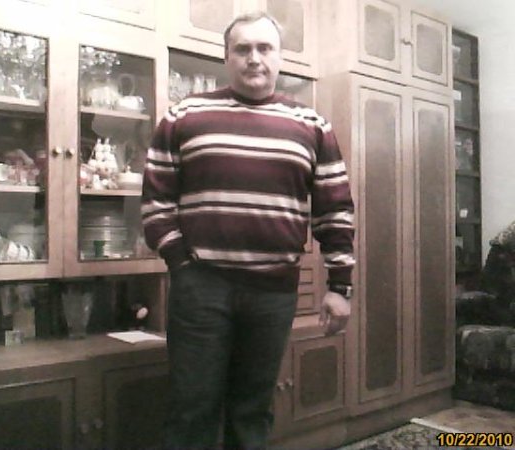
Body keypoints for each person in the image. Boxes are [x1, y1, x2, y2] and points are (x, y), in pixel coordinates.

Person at [141, 11, 355, 449]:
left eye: (264, 48)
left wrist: (340, 286)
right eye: (243, 49)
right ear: (226, 57)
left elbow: (334, 210)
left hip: (274, 292)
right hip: (201, 288)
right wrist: (183, 265)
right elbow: (156, 204)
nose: (254, 58)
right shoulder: (184, 116)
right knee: (191, 409)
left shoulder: (313, 126)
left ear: (279, 57)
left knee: (252, 410)